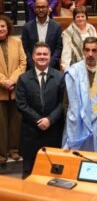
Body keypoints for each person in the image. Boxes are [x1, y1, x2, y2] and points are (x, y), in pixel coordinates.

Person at [16, 42, 64, 178]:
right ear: (32, 56)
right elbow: (21, 104)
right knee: (29, 173)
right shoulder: (23, 78)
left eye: (45, 54)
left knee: (53, 174)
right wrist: (38, 120)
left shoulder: (60, 77)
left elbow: (63, 103)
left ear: (50, 56)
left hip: (53, 132)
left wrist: (50, 119)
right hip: (31, 132)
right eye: (39, 54)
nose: (42, 57)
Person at [62, 37, 97, 153]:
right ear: (83, 51)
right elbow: (67, 102)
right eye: (87, 50)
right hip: (79, 123)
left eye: (93, 50)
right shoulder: (73, 72)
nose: (90, 54)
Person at [0, 15, 26, 163]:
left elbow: (23, 62)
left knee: (16, 122)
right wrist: (4, 81)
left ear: (8, 27)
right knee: (1, 124)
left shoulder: (17, 42)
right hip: (1, 90)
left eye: (3, 26)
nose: (0, 29)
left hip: (15, 89)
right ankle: (2, 154)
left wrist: (13, 80)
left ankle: (14, 150)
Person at [22, 0, 63, 70]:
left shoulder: (57, 26)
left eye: (43, 7)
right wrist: (33, 65)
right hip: (32, 68)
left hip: (52, 68)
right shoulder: (27, 27)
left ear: (48, 8)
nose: (41, 10)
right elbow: (25, 48)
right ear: (34, 9)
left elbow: (59, 48)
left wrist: (49, 64)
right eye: (38, 7)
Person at [60, 6, 97, 71]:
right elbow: (66, 52)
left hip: (92, 63)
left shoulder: (91, 28)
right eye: (78, 17)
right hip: (75, 66)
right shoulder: (68, 32)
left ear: (86, 17)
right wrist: (66, 69)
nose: (80, 19)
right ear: (74, 19)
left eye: (82, 16)